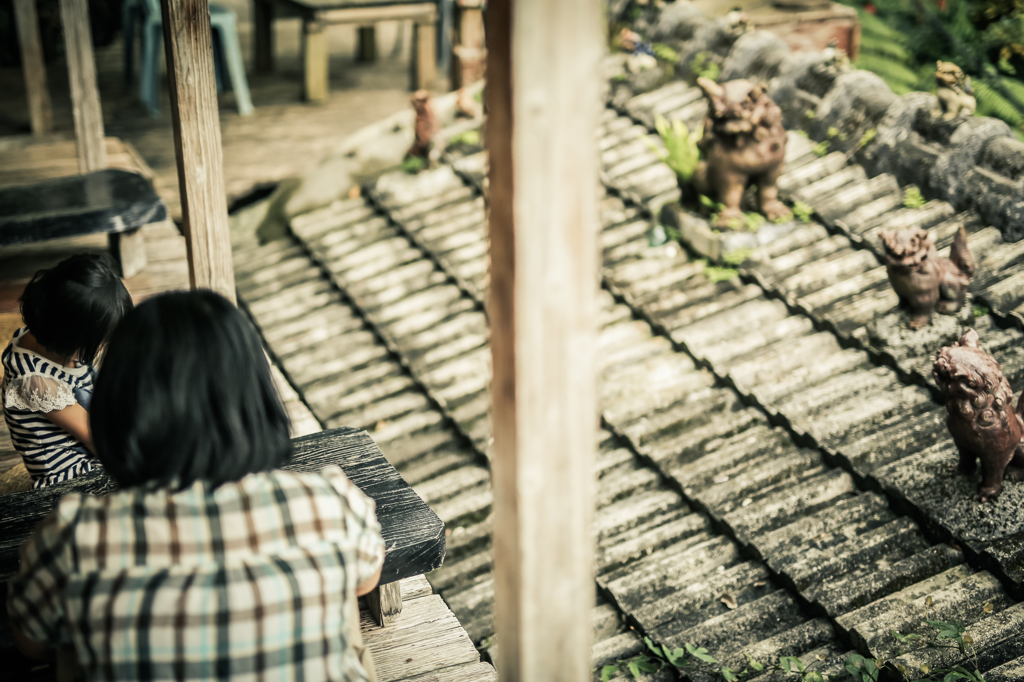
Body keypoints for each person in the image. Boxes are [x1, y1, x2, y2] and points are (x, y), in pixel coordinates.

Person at [6, 290, 385, 681]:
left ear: (119, 406)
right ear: (255, 395)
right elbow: (365, 581)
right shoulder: (330, 503)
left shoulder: (73, 537)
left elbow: (32, 642)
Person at [1, 254, 133, 487]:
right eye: (98, 343)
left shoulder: (44, 334)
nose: (102, 348)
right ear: (69, 337)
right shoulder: (35, 382)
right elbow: (101, 443)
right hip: (74, 477)